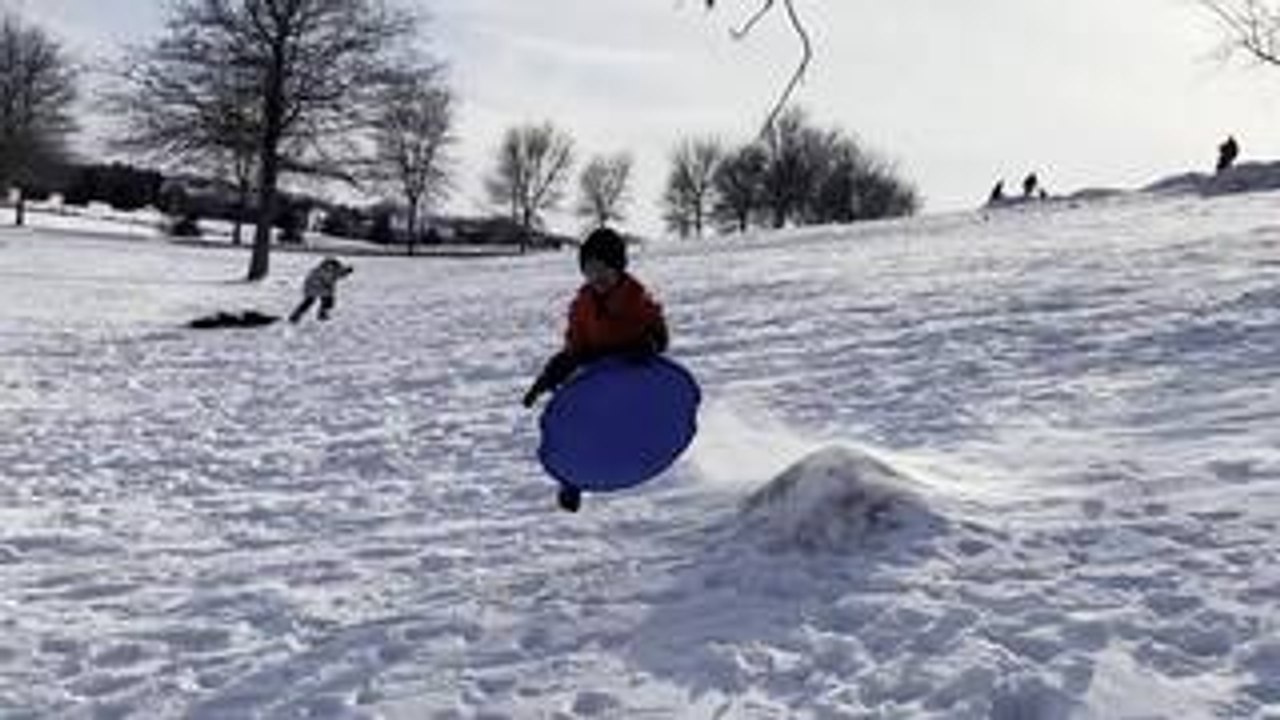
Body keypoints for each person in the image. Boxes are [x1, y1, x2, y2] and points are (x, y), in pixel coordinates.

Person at [521, 226, 669, 512]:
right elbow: (574, 351)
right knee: (575, 425)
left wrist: (647, 346)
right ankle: (571, 479)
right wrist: (548, 377)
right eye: (589, 270)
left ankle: (630, 457)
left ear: (618, 269)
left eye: (603, 269)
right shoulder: (581, 306)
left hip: (631, 379)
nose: (596, 277)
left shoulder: (637, 300)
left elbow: (660, 337)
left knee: (620, 428)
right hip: (597, 379)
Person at [289, 256, 353, 323]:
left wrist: (347, 271)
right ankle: (297, 316)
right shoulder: (324, 271)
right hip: (314, 287)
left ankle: (297, 316)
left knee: (323, 301)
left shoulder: (332, 270)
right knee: (313, 301)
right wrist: (326, 285)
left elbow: (340, 274)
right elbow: (327, 278)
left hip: (318, 288)